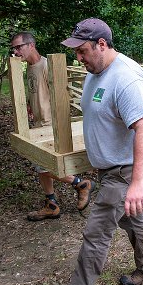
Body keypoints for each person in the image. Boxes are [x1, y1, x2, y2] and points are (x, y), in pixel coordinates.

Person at [46, 18, 143, 285]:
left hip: (123, 170)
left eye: (82, 51)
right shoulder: (95, 71)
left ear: (101, 44)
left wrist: (138, 182)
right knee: (132, 219)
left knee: (96, 233)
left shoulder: (126, 78)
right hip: (108, 167)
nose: (79, 57)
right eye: (75, 52)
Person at [10, 32, 96, 220]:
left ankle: (81, 184)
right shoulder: (29, 68)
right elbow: (37, 91)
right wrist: (31, 106)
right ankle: (51, 204)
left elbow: (60, 94)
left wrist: (57, 122)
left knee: (43, 165)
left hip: (50, 125)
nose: (16, 52)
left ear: (31, 45)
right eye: (14, 48)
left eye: (19, 47)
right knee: (39, 164)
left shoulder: (46, 65)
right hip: (38, 123)